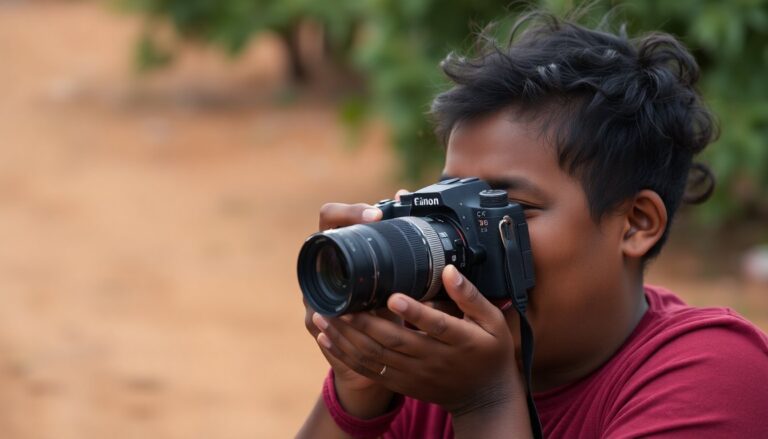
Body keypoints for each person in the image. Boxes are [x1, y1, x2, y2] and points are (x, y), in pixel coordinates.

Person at [296, 12, 768, 439]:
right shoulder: (433, 369)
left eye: (506, 208)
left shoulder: (715, 371)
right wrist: (357, 391)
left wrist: (483, 402)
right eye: (450, 205)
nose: (467, 242)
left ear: (635, 224)